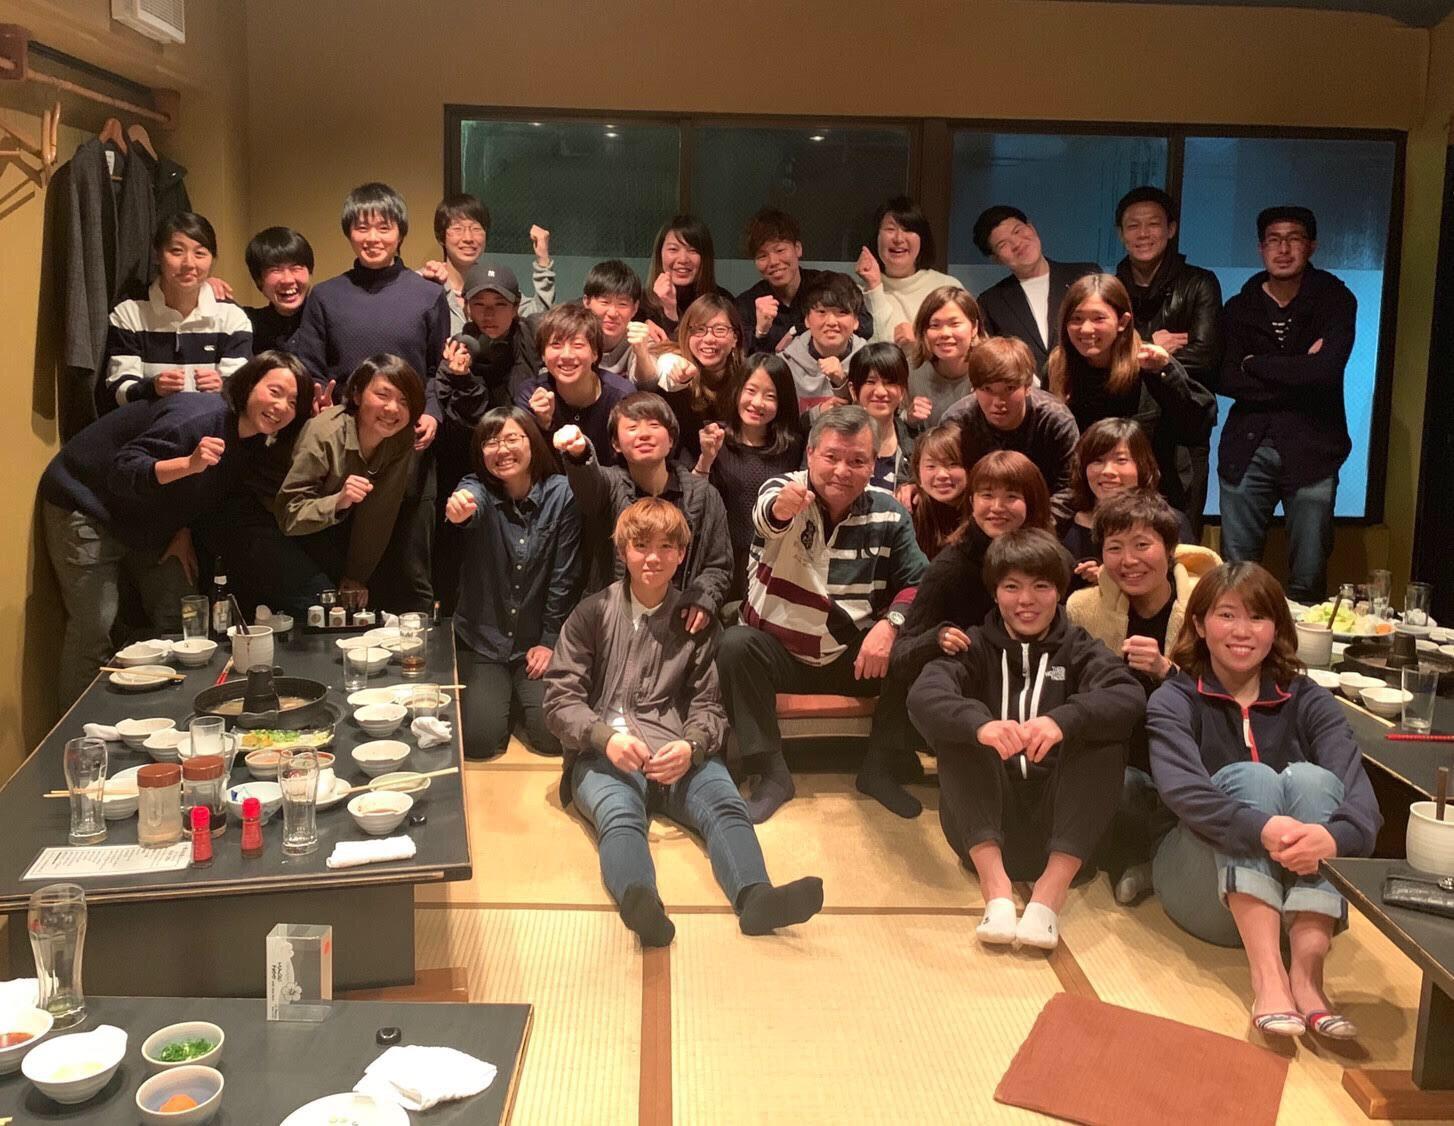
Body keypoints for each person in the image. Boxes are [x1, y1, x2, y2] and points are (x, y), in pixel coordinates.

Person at [543, 497, 825, 947]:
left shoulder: (695, 621)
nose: (652, 558)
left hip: (677, 751)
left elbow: (710, 704)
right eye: (641, 546)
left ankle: (757, 897)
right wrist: (604, 738)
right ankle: (640, 901)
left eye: (665, 547)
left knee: (726, 805)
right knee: (619, 815)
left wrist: (692, 746)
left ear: (681, 554)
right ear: (623, 550)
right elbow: (560, 699)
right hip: (604, 754)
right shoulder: (592, 613)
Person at [1147, 562, 1379, 1038]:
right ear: (1199, 624)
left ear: (1277, 628)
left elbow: (1361, 799)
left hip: (1296, 903)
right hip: (1202, 884)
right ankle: (1268, 977)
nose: (1242, 631)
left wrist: (1334, 839)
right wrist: (1262, 828)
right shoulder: (1175, 698)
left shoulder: (1307, 698)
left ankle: (1308, 977)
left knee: (1314, 781)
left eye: (1257, 617)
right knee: (1252, 778)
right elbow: (1182, 791)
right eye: (1226, 615)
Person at [909, 529, 1144, 950]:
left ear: (1059, 592)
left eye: (1041, 587)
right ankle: (996, 892)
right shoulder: (974, 645)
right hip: (981, 828)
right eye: (1012, 587)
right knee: (962, 731)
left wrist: (1063, 720)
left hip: (1067, 833)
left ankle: (1048, 899)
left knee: (1103, 736)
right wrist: (981, 725)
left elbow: (1127, 695)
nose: (1026, 600)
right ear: (994, 593)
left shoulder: (1079, 648)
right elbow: (924, 696)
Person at [41, 353, 306, 704]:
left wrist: (181, 530)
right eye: (274, 391)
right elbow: (123, 471)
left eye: (293, 401)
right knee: (95, 626)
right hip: (86, 502)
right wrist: (188, 463)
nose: (281, 406)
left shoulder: (251, 442)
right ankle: (81, 732)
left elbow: (207, 492)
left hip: (146, 519)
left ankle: (166, 713)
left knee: (181, 613)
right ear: (247, 384)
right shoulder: (198, 417)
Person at [718, 405, 928, 822]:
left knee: (914, 650)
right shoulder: (783, 489)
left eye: (857, 460)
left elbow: (920, 582)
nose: (842, 471)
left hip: (850, 653)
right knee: (735, 645)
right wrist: (783, 508)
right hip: (779, 649)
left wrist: (890, 626)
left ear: (874, 464)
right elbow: (767, 516)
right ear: (811, 454)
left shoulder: (889, 512)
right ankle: (771, 772)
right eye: (831, 456)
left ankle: (881, 766)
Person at [287, 182, 450, 611]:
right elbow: (311, 366)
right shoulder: (326, 296)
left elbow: (439, 368)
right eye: (362, 227)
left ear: (400, 233)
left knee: (411, 565)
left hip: (411, 440)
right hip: (346, 445)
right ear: (348, 233)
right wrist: (320, 402)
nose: (373, 237)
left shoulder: (428, 294)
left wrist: (432, 411)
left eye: (384, 227)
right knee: (344, 565)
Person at [1065, 490, 1221, 904]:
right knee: (1119, 785)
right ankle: (1136, 860)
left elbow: (1225, 699)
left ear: (1169, 549)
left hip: (1187, 754)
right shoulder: (1084, 609)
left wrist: (1166, 670)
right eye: (1114, 547)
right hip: (1118, 755)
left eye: (1141, 545)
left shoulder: (1205, 609)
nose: (1128, 560)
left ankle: (1159, 862)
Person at [1217, 206, 1356, 603]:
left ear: (1311, 246)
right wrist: (1300, 370)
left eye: (1293, 239)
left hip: (1314, 449)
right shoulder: (1239, 307)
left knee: (1308, 578)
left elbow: (1326, 372)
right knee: (1236, 576)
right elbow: (1225, 378)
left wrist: (1256, 364)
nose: (1283, 249)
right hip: (1246, 448)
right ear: (1261, 249)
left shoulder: (1334, 300)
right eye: (1274, 240)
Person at [443, 407, 581, 759]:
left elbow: (564, 575)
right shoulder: (476, 488)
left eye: (511, 439)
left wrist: (550, 641)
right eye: (491, 442)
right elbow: (468, 503)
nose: (502, 449)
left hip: (533, 642)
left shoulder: (561, 493)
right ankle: (503, 700)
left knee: (553, 739)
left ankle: (517, 702)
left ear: (532, 442)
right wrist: (461, 511)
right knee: (478, 742)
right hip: (483, 640)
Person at [552, 393, 732, 628]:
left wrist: (703, 598)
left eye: (654, 425)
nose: (644, 434)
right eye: (632, 427)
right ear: (616, 443)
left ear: (671, 440)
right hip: (612, 623)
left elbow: (718, 565)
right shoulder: (609, 486)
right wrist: (579, 451)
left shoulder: (704, 495)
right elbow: (588, 483)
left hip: (680, 621)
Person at [1046, 274, 1216, 504]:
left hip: (1153, 500)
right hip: (1083, 499)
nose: (1085, 329)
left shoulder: (1151, 362)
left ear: (1123, 322)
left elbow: (1196, 426)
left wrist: (1165, 373)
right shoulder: (1057, 368)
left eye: (1098, 318)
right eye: (1075, 319)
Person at [891, 450, 1055, 686]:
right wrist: (937, 639)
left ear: (1032, 501)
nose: (997, 507)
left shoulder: (1052, 560)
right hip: (956, 694)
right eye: (987, 495)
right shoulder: (949, 570)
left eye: (1011, 496)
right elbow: (900, 658)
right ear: (972, 501)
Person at [273, 355, 424, 609]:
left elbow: (380, 510)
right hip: (277, 523)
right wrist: (338, 501)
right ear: (356, 395)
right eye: (383, 395)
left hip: (337, 528)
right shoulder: (324, 433)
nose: (393, 409)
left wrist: (356, 576)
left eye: (404, 401)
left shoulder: (401, 438)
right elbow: (288, 514)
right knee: (319, 602)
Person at [1114, 186, 1223, 533]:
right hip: (1127, 427)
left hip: (1183, 428)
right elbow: (1101, 357)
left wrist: (1136, 353)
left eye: (1153, 224)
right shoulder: (1113, 289)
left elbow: (1205, 356)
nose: (1143, 234)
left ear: (1171, 229)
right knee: (1122, 528)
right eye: (1133, 225)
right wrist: (1154, 347)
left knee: (1180, 533)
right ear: (1121, 234)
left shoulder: (1200, 283)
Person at [100, 211, 253, 413]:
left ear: (212, 259)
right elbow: (117, 390)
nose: (189, 263)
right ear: (157, 256)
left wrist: (223, 386)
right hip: (148, 424)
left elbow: (243, 390)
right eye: (177, 251)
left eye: (200, 253)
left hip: (210, 424)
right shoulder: (129, 313)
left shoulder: (231, 317)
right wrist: (153, 387)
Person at [691, 355, 806, 605]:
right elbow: (692, 503)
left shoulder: (794, 447)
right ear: (737, 390)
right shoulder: (713, 436)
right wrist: (706, 459)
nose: (757, 402)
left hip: (773, 563)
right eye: (751, 390)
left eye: (770, 396)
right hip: (720, 560)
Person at [943, 336, 1079, 509]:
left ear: (1028, 387)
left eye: (1010, 389)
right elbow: (941, 473)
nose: (998, 401)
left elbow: (1071, 488)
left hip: (1041, 515)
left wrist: (1038, 522)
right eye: (987, 389)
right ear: (974, 389)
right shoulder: (957, 421)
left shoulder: (1055, 420)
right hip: (976, 513)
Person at [1059, 418, 1195, 589]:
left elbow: (1188, 583)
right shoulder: (1064, 523)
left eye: (1121, 460)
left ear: (1142, 465)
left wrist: (1111, 578)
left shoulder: (1171, 521)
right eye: (1097, 461)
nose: (1108, 471)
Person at [971, 205, 1099, 372]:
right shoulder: (990, 302)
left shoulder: (1086, 275)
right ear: (996, 259)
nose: (1017, 244)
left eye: (1018, 231)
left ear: (1031, 228)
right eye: (1003, 244)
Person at [735, 207, 873, 353]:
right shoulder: (746, 304)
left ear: (798, 248)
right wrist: (760, 332)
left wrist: (798, 330)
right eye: (762, 256)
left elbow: (865, 326)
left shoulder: (826, 285)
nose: (773, 261)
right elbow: (739, 355)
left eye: (780, 250)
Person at [514, 303, 634, 466]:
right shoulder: (531, 394)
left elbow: (629, 463)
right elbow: (533, 466)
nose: (566, 355)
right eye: (556, 345)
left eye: (577, 345)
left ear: (595, 353)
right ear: (542, 354)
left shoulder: (621, 396)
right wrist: (543, 424)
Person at [420, 193, 554, 333]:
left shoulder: (495, 282)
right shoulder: (426, 281)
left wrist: (543, 261)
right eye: (457, 229)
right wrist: (430, 287)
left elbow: (538, 320)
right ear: (441, 236)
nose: (468, 238)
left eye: (476, 229)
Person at [636, 294, 745, 465]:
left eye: (720, 330)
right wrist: (677, 374)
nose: (709, 338)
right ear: (686, 334)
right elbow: (664, 370)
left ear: (735, 338)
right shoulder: (673, 362)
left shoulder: (745, 377)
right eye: (699, 329)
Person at [854, 196, 963, 346]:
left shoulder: (946, 287)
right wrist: (874, 287)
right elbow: (873, 352)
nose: (899, 238)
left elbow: (968, 346)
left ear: (922, 239)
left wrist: (920, 342)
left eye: (908, 229)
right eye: (890, 229)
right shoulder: (858, 293)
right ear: (876, 237)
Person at [780, 272, 868, 413]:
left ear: (856, 321)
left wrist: (841, 383)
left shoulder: (869, 364)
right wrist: (817, 413)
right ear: (807, 319)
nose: (831, 322)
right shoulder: (785, 365)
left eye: (842, 312)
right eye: (821, 312)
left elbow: (874, 418)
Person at [642, 215, 734, 334]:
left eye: (693, 250)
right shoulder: (640, 304)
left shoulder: (723, 301)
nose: (683, 259)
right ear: (660, 254)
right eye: (673, 249)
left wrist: (670, 311)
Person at [907, 286, 981, 428]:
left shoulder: (992, 368)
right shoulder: (912, 370)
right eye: (935, 325)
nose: (945, 333)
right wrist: (909, 417)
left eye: (955, 324)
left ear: (974, 327)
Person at [844, 343, 915, 491]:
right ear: (853, 390)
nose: (881, 392)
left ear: (902, 391)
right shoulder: (830, 437)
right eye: (870, 382)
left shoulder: (916, 445)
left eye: (890, 383)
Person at [242, 226, 314, 354]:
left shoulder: (327, 321)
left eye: (296, 268)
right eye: (275, 270)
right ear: (259, 280)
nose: (288, 280)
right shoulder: (247, 323)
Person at [906, 422, 967, 560]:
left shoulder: (983, 513)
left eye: (953, 464)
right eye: (931, 466)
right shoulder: (910, 512)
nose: (942, 475)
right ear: (918, 472)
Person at [583, 260, 650, 385]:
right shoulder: (573, 337)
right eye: (604, 302)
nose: (613, 313)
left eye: (622, 304)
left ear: (635, 308)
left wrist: (642, 353)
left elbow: (648, 385)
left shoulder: (640, 337)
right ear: (586, 302)